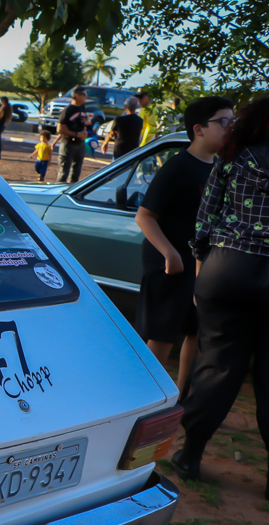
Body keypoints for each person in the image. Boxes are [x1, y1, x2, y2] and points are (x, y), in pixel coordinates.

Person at [172, 98, 269, 488]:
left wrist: (201, 268)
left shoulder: (234, 156)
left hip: (227, 268)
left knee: (218, 364)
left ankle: (191, 455)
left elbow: (205, 220)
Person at [135, 96, 234, 406]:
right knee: (163, 335)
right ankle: (146, 399)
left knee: (195, 330)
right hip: (170, 264)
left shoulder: (218, 167)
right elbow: (144, 216)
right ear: (199, 129)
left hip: (199, 264)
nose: (229, 128)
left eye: (233, 122)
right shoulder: (178, 167)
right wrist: (170, 254)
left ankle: (182, 396)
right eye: (223, 122)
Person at [57, 86, 89, 183]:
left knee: (76, 173)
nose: (86, 97)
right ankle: (58, 192)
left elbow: (85, 121)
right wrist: (76, 134)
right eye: (85, 94)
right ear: (78, 96)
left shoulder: (82, 108)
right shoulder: (68, 110)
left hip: (80, 144)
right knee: (63, 173)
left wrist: (85, 131)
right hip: (68, 144)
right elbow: (60, 128)